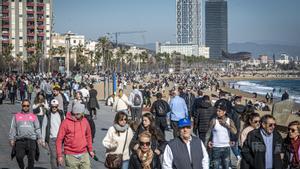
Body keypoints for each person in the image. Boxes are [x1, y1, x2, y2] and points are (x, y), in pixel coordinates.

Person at [56, 102, 94, 169]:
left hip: (84, 154)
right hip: (70, 155)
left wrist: (90, 150)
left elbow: (88, 136)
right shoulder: (65, 123)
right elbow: (59, 140)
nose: (83, 115)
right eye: (82, 114)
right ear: (76, 113)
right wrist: (59, 155)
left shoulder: (85, 121)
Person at [9, 99, 43, 169]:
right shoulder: (16, 116)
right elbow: (13, 128)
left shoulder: (34, 116)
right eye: (24, 105)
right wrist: (11, 138)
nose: (26, 107)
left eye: (27, 105)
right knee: (19, 157)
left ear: (29, 106)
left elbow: (37, 128)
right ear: (22, 106)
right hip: (20, 141)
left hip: (31, 140)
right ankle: (22, 167)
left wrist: (39, 138)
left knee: (31, 160)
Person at [41, 99, 64, 169]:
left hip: (61, 139)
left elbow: (65, 126)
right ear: (50, 106)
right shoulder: (47, 115)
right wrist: (43, 139)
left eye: (55, 107)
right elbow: (44, 127)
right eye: (53, 106)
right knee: (53, 156)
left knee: (60, 155)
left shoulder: (61, 114)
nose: (54, 108)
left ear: (58, 106)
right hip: (51, 139)